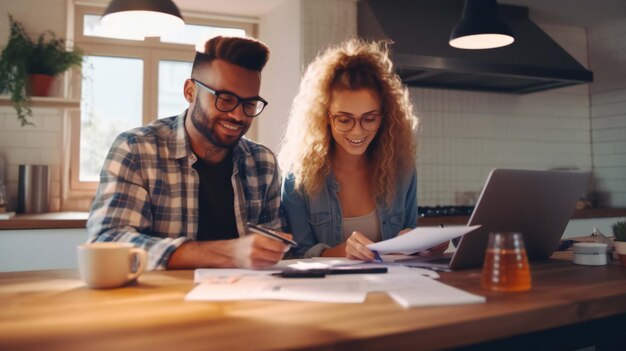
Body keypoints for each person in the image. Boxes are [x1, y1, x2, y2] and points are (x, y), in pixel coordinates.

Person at [87, 36, 292, 270]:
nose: (238, 115)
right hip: (161, 302)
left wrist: (274, 249)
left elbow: (274, 246)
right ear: (190, 91)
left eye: (250, 104)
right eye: (225, 99)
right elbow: (108, 240)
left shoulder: (263, 163)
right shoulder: (136, 149)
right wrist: (228, 253)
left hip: (246, 299)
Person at [280, 39, 447, 260]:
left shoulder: (402, 171)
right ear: (324, 117)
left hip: (393, 287)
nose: (357, 132)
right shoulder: (297, 178)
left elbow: (407, 240)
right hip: (330, 291)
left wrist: (422, 246)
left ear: (384, 117)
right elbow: (297, 254)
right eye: (344, 119)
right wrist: (342, 252)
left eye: (369, 119)